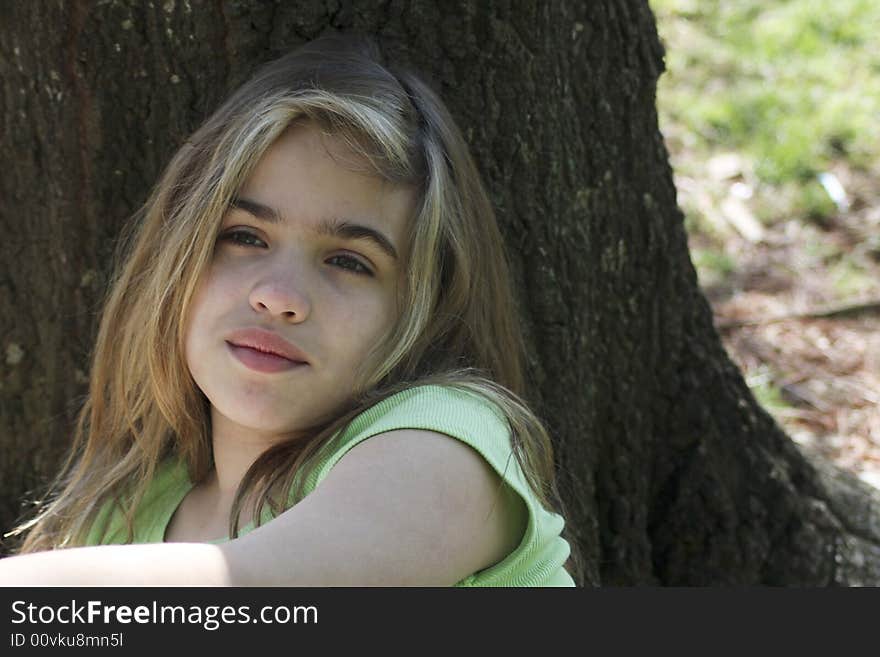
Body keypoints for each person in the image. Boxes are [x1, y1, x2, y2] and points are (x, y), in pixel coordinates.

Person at [1, 33, 580, 586]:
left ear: (419, 308)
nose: (278, 297)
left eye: (349, 262)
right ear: (180, 252)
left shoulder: (447, 444)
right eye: (246, 237)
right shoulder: (124, 516)